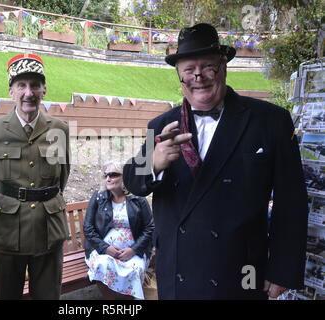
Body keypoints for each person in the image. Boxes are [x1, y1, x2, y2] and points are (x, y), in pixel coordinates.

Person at [123, 23, 309, 300]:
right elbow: (133, 183)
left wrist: (282, 270)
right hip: (177, 269)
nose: (198, 76)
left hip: (243, 270)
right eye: (189, 70)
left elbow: (291, 201)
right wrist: (151, 162)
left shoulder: (270, 121)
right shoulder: (161, 125)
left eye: (207, 66)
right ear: (180, 77)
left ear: (224, 67)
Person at [0, 53, 71, 300]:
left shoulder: (59, 129)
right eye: (21, 85)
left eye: (34, 85)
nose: (28, 93)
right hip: (6, 232)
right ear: (11, 92)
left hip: (48, 231)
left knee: (48, 295)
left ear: (44, 90)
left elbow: (61, 178)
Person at [83, 161, 154, 300]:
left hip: (133, 251)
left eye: (113, 174)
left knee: (134, 269)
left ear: (124, 177)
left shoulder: (138, 198)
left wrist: (133, 250)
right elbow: (88, 227)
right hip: (103, 251)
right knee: (101, 264)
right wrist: (105, 248)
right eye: (106, 175)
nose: (108, 178)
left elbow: (150, 227)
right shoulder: (98, 197)